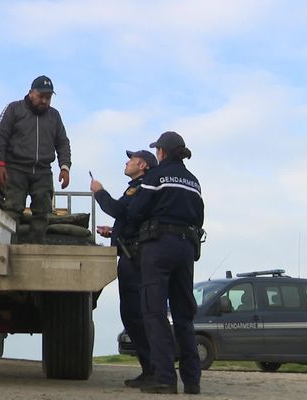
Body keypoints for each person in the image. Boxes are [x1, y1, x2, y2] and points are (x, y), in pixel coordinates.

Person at [126, 131, 204, 395]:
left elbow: (136, 210)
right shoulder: (194, 181)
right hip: (186, 247)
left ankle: (165, 379)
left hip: (158, 247)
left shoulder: (155, 177)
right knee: (184, 316)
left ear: (161, 152)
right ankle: (192, 381)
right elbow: (199, 217)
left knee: (154, 313)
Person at [90, 150, 158, 388]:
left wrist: (99, 192)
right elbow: (130, 219)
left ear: (142, 165)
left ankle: (152, 369)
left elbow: (120, 210)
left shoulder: (139, 188)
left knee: (134, 315)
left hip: (134, 259)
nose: (126, 162)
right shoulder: (139, 188)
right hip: (131, 254)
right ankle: (149, 368)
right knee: (133, 316)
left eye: (131, 160)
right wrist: (114, 232)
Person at [0, 76, 71, 243]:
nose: (44, 100)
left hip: (43, 171)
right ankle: (8, 249)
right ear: (31, 93)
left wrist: (65, 167)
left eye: (48, 97)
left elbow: (63, 142)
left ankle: (37, 251)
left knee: (42, 213)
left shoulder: (54, 116)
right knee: (12, 210)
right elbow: (0, 135)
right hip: (15, 169)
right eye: (41, 96)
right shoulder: (14, 109)